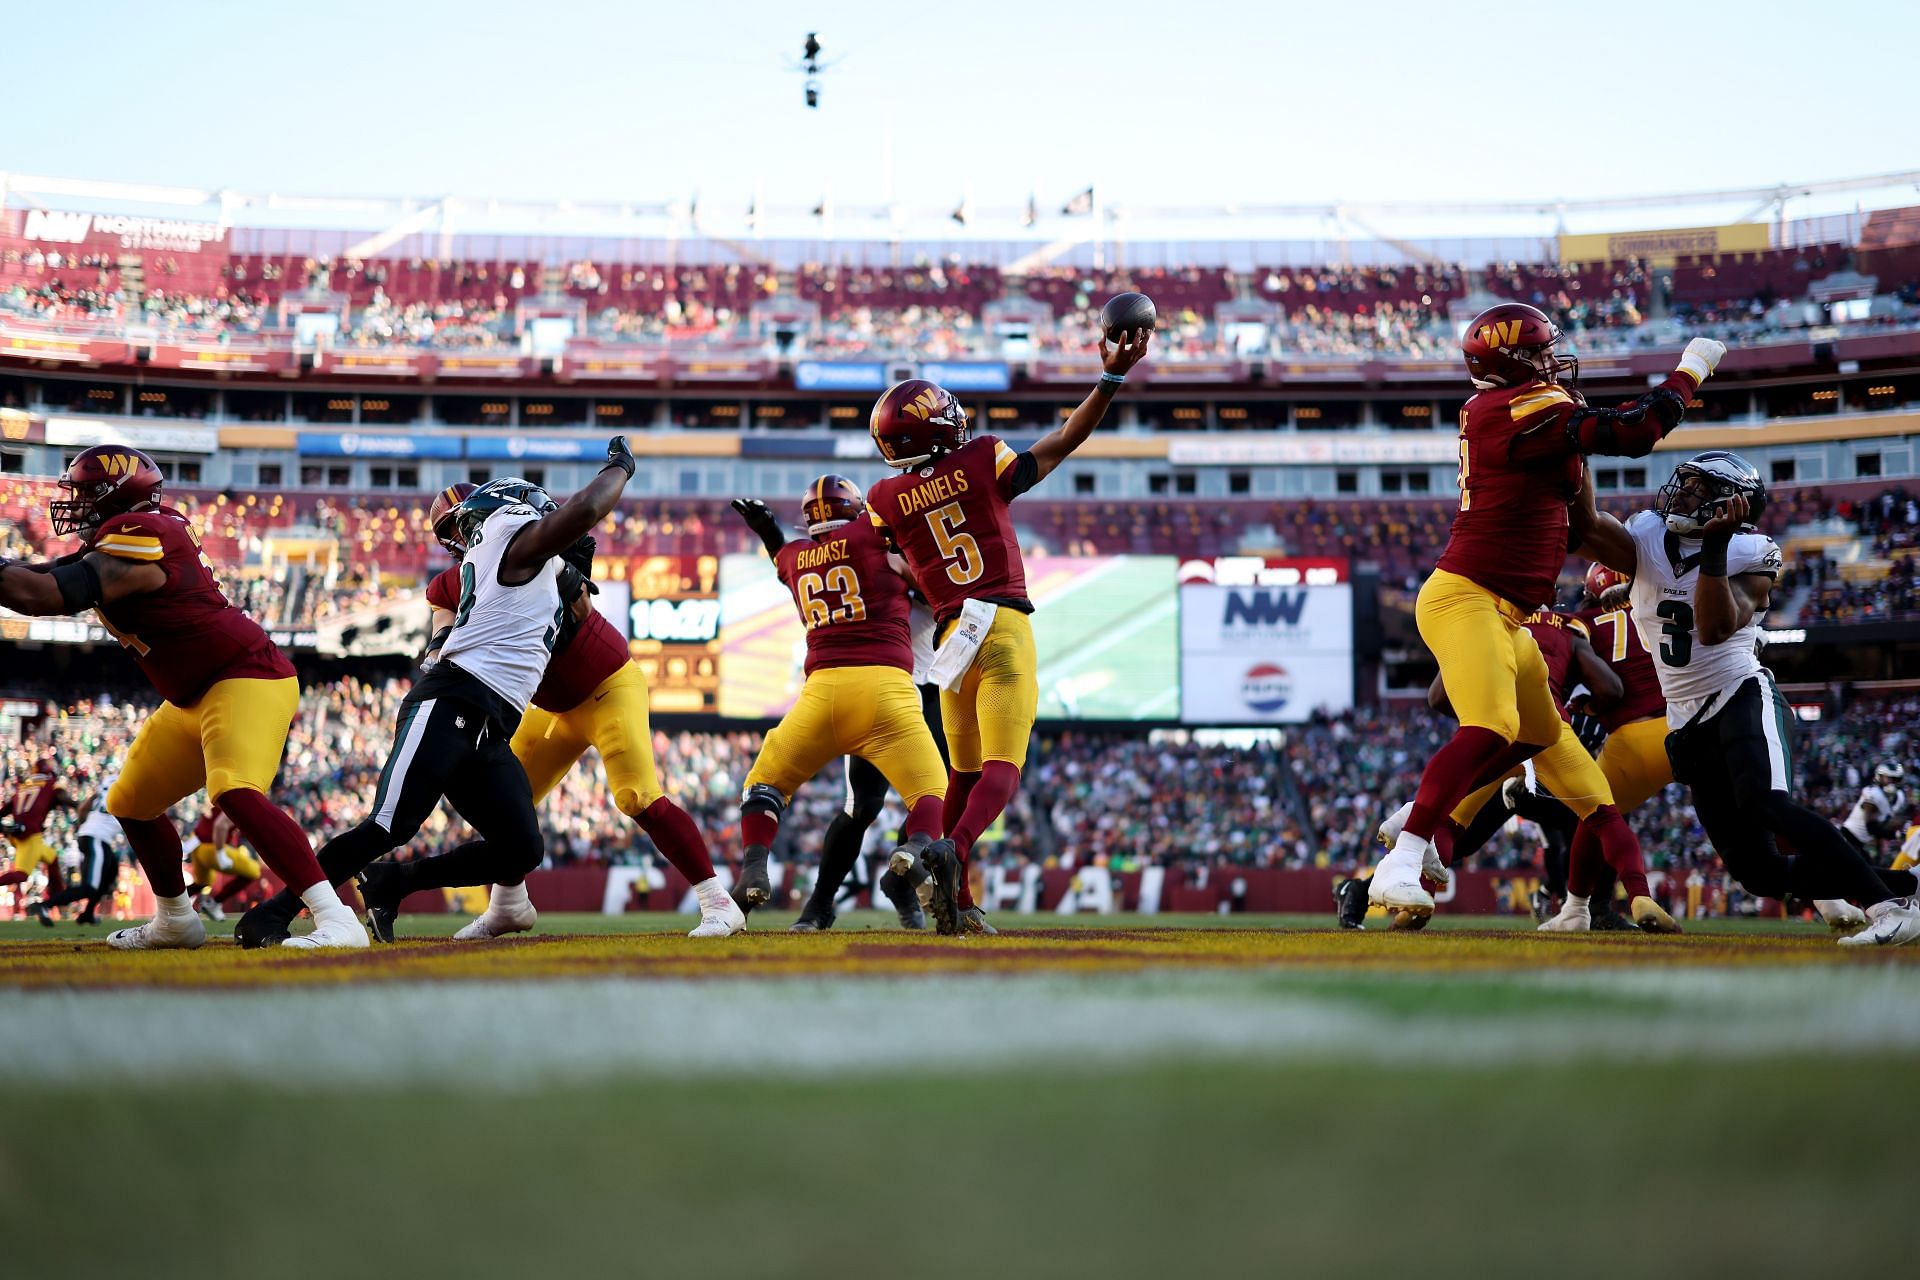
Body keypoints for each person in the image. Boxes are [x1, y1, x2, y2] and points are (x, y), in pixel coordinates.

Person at [1370, 303, 1726, 924]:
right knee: (1490, 728)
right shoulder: (1516, 405)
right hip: (1467, 595)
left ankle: (1416, 812)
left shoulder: (1518, 407)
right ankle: (1402, 859)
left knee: (1536, 733)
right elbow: (1636, 431)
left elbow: (1579, 519)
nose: (1550, 360)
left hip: (1509, 613)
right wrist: (1690, 370)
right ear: (1513, 360)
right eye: (1538, 350)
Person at [237, 441, 636, 946]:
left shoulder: (526, 560)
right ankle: (274, 912)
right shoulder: (508, 540)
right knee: (386, 825)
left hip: (492, 722)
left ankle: (392, 883)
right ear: (513, 511)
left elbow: (571, 612)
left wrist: (571, 575)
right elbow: (586, 509)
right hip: (454, 700)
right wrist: (621, 467)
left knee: (520, 848)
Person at [0, 445, 364, 949]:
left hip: (246, 676)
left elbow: (41, 596)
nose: (75, 504)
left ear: (117, 495)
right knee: (130, 801)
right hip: (192, 694)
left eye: (86, 493)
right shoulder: (134, 531)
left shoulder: (143, 533)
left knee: (234, 789)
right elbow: (43, 575)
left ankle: (336, 918)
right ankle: (175, 920)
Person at [865, 323, 1150, 932]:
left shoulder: (884, 498)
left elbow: (890, 564)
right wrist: (1110, 378)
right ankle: (955, 850)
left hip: (949, 640)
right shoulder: (980, 455)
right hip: (1000, 623)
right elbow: (1061, 442)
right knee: (1003, 766)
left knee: (961, 776)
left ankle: (957, 902)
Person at [1573, 449, 1920, 946]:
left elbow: (1714, 628)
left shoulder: (1750, 551)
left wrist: (1711, 551)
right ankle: (1909, 887)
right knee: (1759, 873)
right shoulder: (1648, 534)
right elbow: (1584, 524)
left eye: (1700, 489)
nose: (1683, 493)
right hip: (1685, 721)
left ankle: (1890, 910)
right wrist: (1574, 451)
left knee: (1767, 802)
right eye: (1685, 483)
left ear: (1730, 506)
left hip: (1738, 694)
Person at [418, 483, 742, 940]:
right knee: (504, 804)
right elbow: (440, 607)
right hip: (549, 706)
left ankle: (718, 902)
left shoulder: (536, 556)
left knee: (636, 796)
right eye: (460, 527)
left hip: (605, 686)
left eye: (469, 523)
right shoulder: (456, 580)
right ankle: (508, 905)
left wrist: (564, 570)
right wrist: (439, 644)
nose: (470, 533)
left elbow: (578, 606)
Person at [729, 477, 952, 928]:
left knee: (950, 799)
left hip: (927, 685)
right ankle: (821, 902)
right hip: (895, 684)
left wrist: (771, 531)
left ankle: (922, 888)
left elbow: (788, 559)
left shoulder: (838, 550)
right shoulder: (883, 543)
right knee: (872, 804)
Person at [787, 597, 943, 932]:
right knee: (863, 804)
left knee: (941, 797)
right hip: (889, 679)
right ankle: (821, 902)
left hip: (944, 681)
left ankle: (901, 881)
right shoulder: (887, 548)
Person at [29, 767, 121, 925]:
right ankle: (44, 906)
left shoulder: (109, 781)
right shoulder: (128, 787)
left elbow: (83, 807)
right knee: (90, 887)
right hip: (96, 837)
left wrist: (85, 826)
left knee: (111, 870)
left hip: (92, 834)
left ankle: (88, 913)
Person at [0, 757, 71, 893]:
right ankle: (57, 898)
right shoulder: (50, 784)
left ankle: (57, 898)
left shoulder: (22, 787)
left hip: (20, 831)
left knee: (51, 857)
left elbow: (4, 811)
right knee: (22, 874)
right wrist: (78, 805)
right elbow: (63, 797)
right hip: (29, 835)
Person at [182, 807, 260, 922]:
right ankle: (214, 903)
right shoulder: (235, 800)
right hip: (210, 847)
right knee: (253, 871)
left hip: (196, 843)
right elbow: (220, 825)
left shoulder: (219, 798)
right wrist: (220, 853)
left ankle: (170, 904)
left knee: (203, 882)